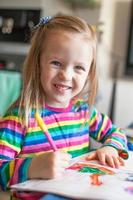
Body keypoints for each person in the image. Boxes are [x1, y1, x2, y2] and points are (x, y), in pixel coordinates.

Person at [0, 15, 128, 200]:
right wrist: (33, 167)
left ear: (89, 73)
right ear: (38, 64)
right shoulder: (18, 119)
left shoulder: (83, 112)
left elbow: (117, 133)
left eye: (78, 67)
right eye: (56, 63)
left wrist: (111, 148)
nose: (66, 75)